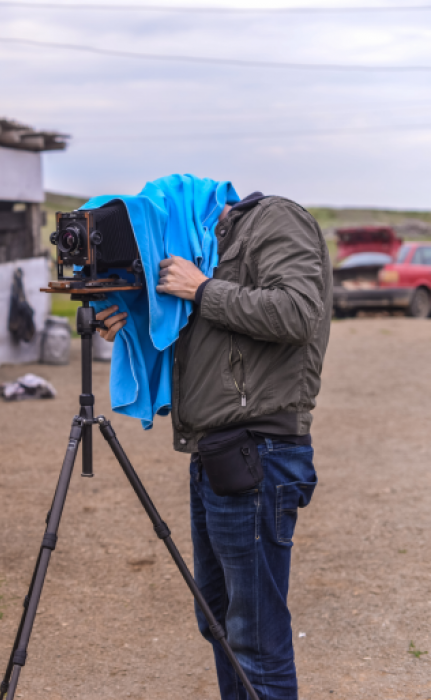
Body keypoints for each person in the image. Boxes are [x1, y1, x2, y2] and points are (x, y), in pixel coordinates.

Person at [96, 193, 332, 700]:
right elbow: (220, 347)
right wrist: (135, 325)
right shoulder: (211, 255)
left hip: (259, 451)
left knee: (254, 635)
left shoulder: (275, 219)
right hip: (219, 452)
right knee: (220, 622)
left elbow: (297, 314)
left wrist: (203, 290)